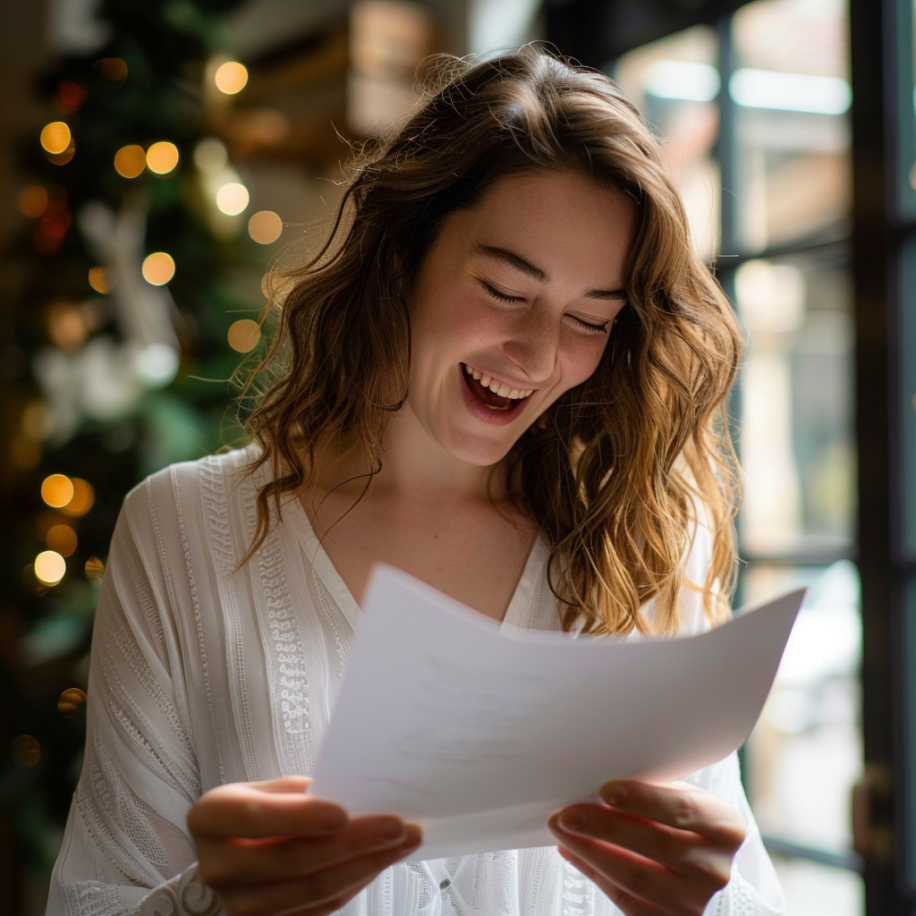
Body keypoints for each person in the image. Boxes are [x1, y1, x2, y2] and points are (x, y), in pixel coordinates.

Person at [47, 47, 785, 916]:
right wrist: (210, 902)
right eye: (507, 290)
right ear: (402, 256)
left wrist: (709, 902)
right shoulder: (180, 529)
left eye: (591, 319)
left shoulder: (644, 545)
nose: (542, 356)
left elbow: (742, 889)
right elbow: (93, 899)